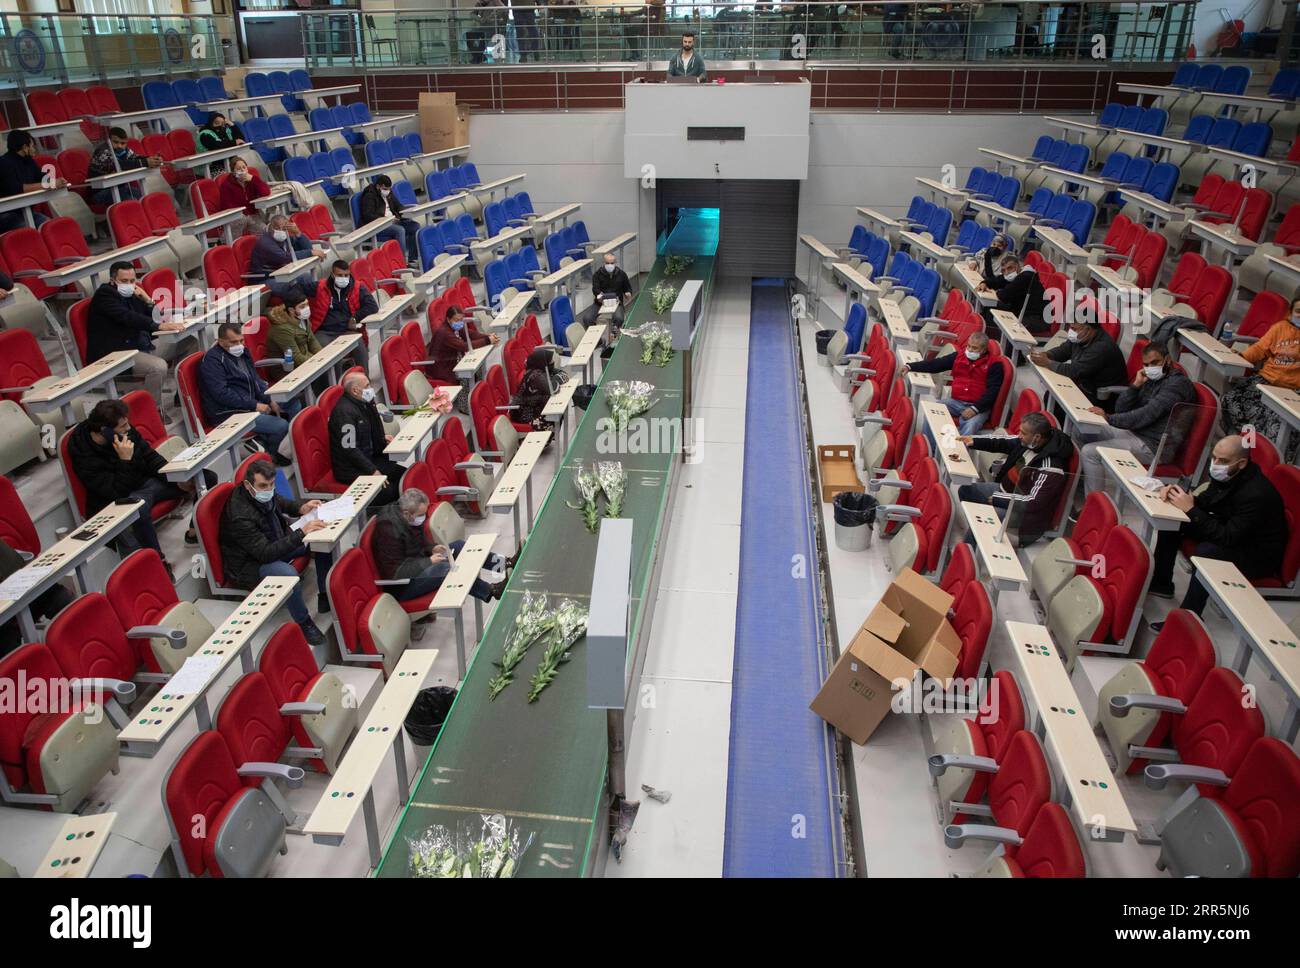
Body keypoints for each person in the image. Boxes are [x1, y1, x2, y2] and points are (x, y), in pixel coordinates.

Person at [1149, 435, 1288, 622]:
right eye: (1214, 458)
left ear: (1241, 463)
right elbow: (1206, 502)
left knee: (1207, 551)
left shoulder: (1256, 494)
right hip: (1233, 532)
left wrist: (1191, 509)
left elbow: (1227, 538)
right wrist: (1177, 495)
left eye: (1222, 461)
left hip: (1256, 554)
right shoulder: (1228, 473)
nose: (1215, 464)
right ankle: (1161, 582)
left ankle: (1189, 616)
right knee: (1176, 519)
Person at [66, 399, 212, 568]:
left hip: (148, 481)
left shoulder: (124, 431)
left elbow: (150, 457)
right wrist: (125, 461)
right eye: (123, 427)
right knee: (139, 509)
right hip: (122, 496)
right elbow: (115, 492)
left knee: (205, 476)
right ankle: (158, 562)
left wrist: (174, 478)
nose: (128, 428)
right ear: (104, 431)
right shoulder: (82, 451)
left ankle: (193, 533)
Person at [218, 459, 334, 645]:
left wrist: (300, 507)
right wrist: (301, 533)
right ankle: (305, 623)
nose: (269, 490)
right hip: (250, 564)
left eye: (271, 485)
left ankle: (324, 596)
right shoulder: (239, 516)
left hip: (272, 540)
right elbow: (266, 554)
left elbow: (277, 500)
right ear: (248, 485)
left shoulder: (258, 491)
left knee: (321, 536)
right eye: (264, 486)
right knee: (288, 574)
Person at [1079, 341, 1197, 494]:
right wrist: (1135, 385)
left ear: (1168, 360)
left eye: (1155, 362)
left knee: (1090, 452)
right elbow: (1121, 409)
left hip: (1152, 446)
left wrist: (1109, 418)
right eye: (1146, 365)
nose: (1150, 368)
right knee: (1083, 431)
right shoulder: (1151, 380)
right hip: (1135, 432)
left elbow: (1147, 414)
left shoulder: (1177, 385)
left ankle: (1093, 504)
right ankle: (1085, 481)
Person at [372, 489, 511, 604]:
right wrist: (429, 561)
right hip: (404, 585)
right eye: (421, 515)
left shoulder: (407, 515)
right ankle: (492, 591)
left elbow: (417, 540)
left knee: (460, 546)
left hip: (417, 563)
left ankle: (505, 564)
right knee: (447, 569)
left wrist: (431, 548)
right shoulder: (388, 531)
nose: (424, 518)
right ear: (407, 513)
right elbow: (396, 572)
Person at [957, 411, 1073, 546]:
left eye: (1023, 433)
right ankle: (978, 533)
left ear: (1037, 437)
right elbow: (1002, 442)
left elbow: (1034, 502)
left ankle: (967, 552)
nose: (1019, 435)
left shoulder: (1051, 468)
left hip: (1020, 511)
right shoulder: (1028, 442)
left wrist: (999, 499)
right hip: (1004, 491)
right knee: (965, 491)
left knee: (984, 521)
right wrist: (974, 440)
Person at [87, 261, 191, 400]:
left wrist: (148, 300)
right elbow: (128, 316)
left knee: (189, 341)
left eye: (132, 280)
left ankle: (182, 396)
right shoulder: (104, 295)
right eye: (124, 281)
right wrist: (158, 327)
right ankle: (153, 411)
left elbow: (157, 318)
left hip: (143, 345)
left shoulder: (135, 294)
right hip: (119, 354)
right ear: (112, 281)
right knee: (158, 367)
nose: (129, 285)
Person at [198, 322, 297, 466]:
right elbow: (222, 394)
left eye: (241, 340)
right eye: (233, 342)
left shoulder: (243, 351)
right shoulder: (211, 361)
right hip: (229, 413)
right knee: (280, 426)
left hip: (250, 402)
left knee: (293, 403)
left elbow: (254, 379)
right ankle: (272, 457)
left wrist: (268, 400)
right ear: (220, 341)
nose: (239, 345)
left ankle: (281, 446)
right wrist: (255, 405)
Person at [1220, 296, 1300, 462]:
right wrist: (1242, 356)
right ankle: (1241, 443)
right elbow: (1259, 348)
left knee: (1275, 424)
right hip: (1265, 380)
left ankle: (1262, 458)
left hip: (1291, 391)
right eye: (1299, 311)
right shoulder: (1280, 328)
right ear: (1291, 313)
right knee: (1230, 400)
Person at [902, 332, 1003, 443]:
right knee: (933, 411)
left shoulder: (995, 364)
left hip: (978, 407)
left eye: (974, 348)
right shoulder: (958, 356)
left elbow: (993, 391)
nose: (969, 350)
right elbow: (935, 364)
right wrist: (910, 366)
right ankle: (929, 447)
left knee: (970, 427)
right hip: (955, 402)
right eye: (968, 346)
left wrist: (975, 409)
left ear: (983, 350)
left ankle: (955, 454)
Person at [328, 371, 406, 503]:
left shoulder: (365, 401)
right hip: (351, 468)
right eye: (367, 386)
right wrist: (372, 471)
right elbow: (350, 449)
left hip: (370, 457)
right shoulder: (344, 414)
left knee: (404, 475)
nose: (371, 389)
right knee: (389, 491)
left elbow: (373, 424)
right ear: (355, 390)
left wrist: (382, 437)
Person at [1029, 316, 1127, 409]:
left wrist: (1048, 362)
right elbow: (1063, 350)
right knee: (1051, 395)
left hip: (1100, 397)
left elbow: (1074, 371)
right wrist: (1046, 355)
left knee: (1056, 402)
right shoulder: (1081, 337)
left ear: (1088, 329)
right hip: (1084, 384)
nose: (1070, 332)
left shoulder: (1101, 348)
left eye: (1074, 329)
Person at [0, 539, 73, 657]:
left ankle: (75, 650)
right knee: (8, 647)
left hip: (22, 591)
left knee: (61, 597)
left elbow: (17, 564)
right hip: (4, 619)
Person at [311, 259, 375, 370]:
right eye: (340, 275)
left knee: (359, 346)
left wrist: (355, 317)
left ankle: (364, 380)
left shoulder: (357, 287)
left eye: (346, 275)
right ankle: (335, 384)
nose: (343, 278)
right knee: (326, 353)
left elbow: (373, 306)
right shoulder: (320, 286)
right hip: (324, 332)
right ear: (332, 274)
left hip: (346, 330)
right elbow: (297, 290)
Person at [0, 130, 65, 231]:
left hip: (25, 211)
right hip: (6, 215)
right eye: (32, 146)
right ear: (25, 148)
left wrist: (57, 181)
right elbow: (18, 189)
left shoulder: (29, 161)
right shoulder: (4, 163)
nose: (34, 149)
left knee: (49, 227)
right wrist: (49, 184)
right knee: (29, 232)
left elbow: (43, 178)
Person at [86, 127, 162, 205]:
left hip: (120, 189)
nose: (119, 146)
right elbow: (120, 165)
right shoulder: (102, 151)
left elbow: (135, 158)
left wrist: (152, 159)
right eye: (115, 142)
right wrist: (146, 162)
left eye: (123, 143)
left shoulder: (124, 150)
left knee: (144, 197)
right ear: (108, 140)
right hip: (99, 193)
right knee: (130, 201)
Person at [978, 252, 1049, 334]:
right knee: (990, 308)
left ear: (1018, 266)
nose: (1007, 272)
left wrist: (999, 291)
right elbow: (997, 281)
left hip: (1036, 319)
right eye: (1004, 270)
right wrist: (984, 283)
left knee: (997, 315)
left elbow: (1003, 296)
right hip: (1023, 312)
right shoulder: (1014, 276)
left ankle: (1000, 342)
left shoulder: (1026, 276)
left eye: (1010, 268)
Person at [427, 303, 497, 384]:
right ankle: (472, 393)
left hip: (454, 361)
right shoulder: (444, 333)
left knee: (478, 373)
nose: (460, 322)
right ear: (448, 319)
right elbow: (464, 346)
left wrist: (487, 336)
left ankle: (478, 390)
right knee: (472, 377)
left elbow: (471, 334)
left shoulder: (454, 325)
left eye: (461, 319)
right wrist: (487, 340)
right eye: (457, 320)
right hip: (443, 369)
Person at [248, 213, 324, 286]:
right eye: (277, 228)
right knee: (294, 287)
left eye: (284, 228)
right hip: (265, 279)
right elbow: (285, 257)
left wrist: (298, 233)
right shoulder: (265, 242)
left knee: (307, 279)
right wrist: (310, 252)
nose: (281, 230)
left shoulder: (285, 237)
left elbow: (308, 248)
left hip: (283, 274)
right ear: (271, 227)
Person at [358, 175, 419, 264]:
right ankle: (401, 262)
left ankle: (412, 259)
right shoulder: (369, 196)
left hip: (394, 221)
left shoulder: (389, 193)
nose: (387, 191)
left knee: (414, 226)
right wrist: (386, 220)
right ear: (378, 186)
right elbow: (368, 215)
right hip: (379, 225)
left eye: (388, 189)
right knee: (400, 230)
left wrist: (405, 213)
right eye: (385, 189)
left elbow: (399, 206)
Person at [265, 286, 323, 367]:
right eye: (302, 306)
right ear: (291, 310)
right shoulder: (281, 329)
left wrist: (323, 357)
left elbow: (312, 341)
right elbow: (296, 358)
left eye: (307, 304)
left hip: (307, 359)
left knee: (334, 365)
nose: (307, 308)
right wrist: (318, 363)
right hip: (288, 370)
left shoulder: (302, 317)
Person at [582, 251, 633, 329]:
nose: (610, 265)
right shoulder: (597, 275)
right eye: (607, 263)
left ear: (615, 263)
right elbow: (595, 289)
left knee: (619, 318)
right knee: (587, 318)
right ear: (603, 263)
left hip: (617, 302)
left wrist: (628, 292)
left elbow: (627, 287)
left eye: (612, 263)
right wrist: (599, 296)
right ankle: (597, 337)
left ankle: (614, 335)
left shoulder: (622, 274)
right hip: (600, 303)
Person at [510, 348, 557, 430]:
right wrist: (555, 378)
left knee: (556, 413)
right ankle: (543, 440)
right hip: (522, 413)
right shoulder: (536, 376)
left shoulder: (539, 370)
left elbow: (563, 375)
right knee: (554, 417)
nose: (553, 362)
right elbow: (553, 389)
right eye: (550, 361)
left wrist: (555, 377)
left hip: (533, 405)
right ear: (543, 363)